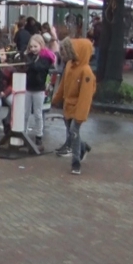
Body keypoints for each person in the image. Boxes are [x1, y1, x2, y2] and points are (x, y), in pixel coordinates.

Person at [52, 38, 95, 175]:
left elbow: (85, 97)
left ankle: (76, 162)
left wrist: (80, 115)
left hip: (76, 108)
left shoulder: (86, 72)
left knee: (74, 132)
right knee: (72, 133)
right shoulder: (70, 65)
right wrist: (56, 99)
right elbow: (64, 84)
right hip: (68, 106)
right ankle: (83, 147)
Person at [25, 34, 55, 153]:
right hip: (28, 88)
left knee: (38, 114)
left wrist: (29, 63)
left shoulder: (45, 58)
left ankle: (39, 136)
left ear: (41, 45)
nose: (33, 49)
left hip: (39, 89)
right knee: (25, 113)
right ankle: (24, 133)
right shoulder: (29, 56)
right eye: (31, 46)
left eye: (35, 46)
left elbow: (39, 68)